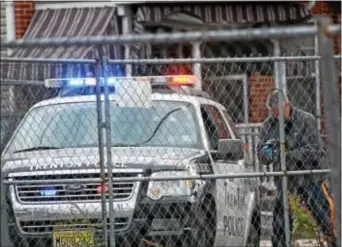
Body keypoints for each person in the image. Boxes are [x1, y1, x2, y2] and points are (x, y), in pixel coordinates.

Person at [257, 89, 336, 247]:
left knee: (323, 214)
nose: (275, 116)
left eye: (278, 112)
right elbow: (262, 155)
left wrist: (287, 154)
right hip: (285, 182)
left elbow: (314, 150)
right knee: (280, 221)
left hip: (309, 177)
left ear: (287, 105)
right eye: (272, 113)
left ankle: (332, 240)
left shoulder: (306, 120)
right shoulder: (267, 126)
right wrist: (269, 152)